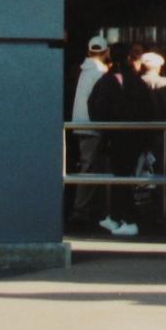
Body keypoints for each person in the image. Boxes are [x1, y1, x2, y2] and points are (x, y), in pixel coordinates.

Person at [88, 42, 156, 237]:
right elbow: (149, 109)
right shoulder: (136, 81)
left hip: (115, 136)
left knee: (120, 177)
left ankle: (127, 219)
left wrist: (104, 130)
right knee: (124, 177)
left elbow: (95, 107)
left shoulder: (107, 80)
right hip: (134, 136)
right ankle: (120, 216)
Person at [68, 34, 109, 225]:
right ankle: (81, 211)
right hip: (93, 126)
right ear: (106, 52)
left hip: (80, 124)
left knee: (89, 166)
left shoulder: (84, 71)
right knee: (91, 168)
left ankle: (86, 210)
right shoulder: (100, 72)